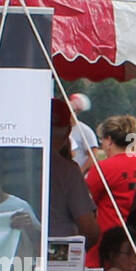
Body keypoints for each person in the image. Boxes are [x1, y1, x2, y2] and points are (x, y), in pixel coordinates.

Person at [85, 114, 136, 261]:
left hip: (108, 243)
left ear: (109, 140)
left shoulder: (104, 168)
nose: (102, 145)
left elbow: (87, 203)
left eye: (102, 140)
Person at [48, 98, 100, 247]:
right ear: (67, 133)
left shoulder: (5, 161)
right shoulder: (68, 171)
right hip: (56, 256)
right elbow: (89, 229)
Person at [67, 93, 99, 173]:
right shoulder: (61, 130)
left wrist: (81, 170)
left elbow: (93, 155)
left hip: (78, 175)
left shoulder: (85, 131)